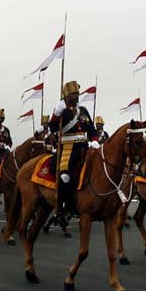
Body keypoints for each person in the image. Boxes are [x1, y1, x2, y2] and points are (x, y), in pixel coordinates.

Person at [49, 81, 99, 220]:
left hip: (84, 147)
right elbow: (53, 128)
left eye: (77, 93)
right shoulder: (62, 110)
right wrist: (56, 114)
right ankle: (60, 207)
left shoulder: (83, 111)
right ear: (66, 96)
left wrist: (94, 139)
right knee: (65, 177)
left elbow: (91, 128)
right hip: (68, 148)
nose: (76, 96)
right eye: (73, 94)